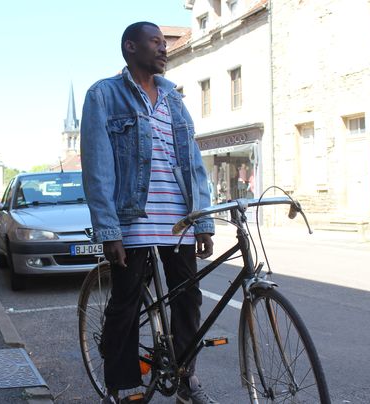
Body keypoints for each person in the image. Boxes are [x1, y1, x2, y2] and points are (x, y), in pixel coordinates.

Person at [81, 21, 217, 404]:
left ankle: (186, 375)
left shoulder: (174, 99)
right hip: (133, 219)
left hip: (178, 220)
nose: (163, 48)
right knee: (126, 303)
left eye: (164, 42)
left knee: (188, 301)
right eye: (155, 42)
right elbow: (97, 166)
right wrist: (109, 231)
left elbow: (192, 162)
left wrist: (201, 220)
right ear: (130, 47)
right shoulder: (104, 95)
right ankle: (123, 386)